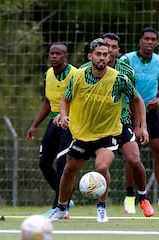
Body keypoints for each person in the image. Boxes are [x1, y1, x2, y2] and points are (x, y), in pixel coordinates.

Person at [48, 38, 149, 223]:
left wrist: (142, 127)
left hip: (108, 133)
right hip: (83, 134)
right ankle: (61, 207)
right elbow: (65, 99)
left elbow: (137, 100)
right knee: (69, 170)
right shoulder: (78, 76)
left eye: (106, 54)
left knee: (101, 167)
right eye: (98, 54)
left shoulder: (119, 78)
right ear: (90, 56)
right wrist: (63, 115)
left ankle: (101, 207)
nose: (103, 58)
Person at [79, 32, 154, 217]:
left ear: (118, 50)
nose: (110, 51)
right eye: (107, 47)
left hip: (121, 122)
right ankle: (68, 206)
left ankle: (143, 198)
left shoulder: (125, 71)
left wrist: (140, 126)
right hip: (95, 126)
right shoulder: (84, 70)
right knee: (78, 165)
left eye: (114, 47)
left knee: (135, 160)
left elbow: (135, 100)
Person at [120, 27, 159, 212]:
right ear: (140, 41)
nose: (150, 42)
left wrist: (158, 100)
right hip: (130, 111)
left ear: (157, 43)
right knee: (132, 154)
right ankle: (130, 197)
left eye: (153, 39)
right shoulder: (127, 60)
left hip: (151, 113)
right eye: (147, 39)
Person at [26, 42, 77, 218]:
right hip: (53, 122)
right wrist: (34, 125)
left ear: (65, 57)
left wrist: (68, 116)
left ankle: (59, 206)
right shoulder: (48, 74)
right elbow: (48, 102)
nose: (54, 56)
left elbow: (81, 101)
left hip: (70, 122)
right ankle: (66, 199)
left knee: (63, 164)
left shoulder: (75, 74)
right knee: (44, 163)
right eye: (51, 53)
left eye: (58, 54)